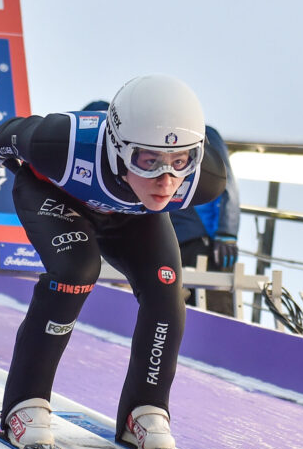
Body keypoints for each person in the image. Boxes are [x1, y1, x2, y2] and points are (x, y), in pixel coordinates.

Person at [0, 75, 227, 449]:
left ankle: (145, 409)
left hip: (134, 213)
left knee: (166, 291)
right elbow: (3, 137)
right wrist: (12, 162)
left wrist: (145, 178)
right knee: (76, 272)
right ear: (118, 147)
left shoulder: (205, 179)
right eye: (148, 160)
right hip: (58, 198)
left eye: (180, 161)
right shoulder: (60, 142)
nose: (166, 180)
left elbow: (162, 182)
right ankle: (25, 403)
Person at [84, 100, 241, 315]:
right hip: (163, 237)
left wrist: (227, 233)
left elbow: (225, 183)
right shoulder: (136, 145)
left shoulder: (202, 135)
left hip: (201, 239)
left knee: (214, 313)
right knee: (170, 310)